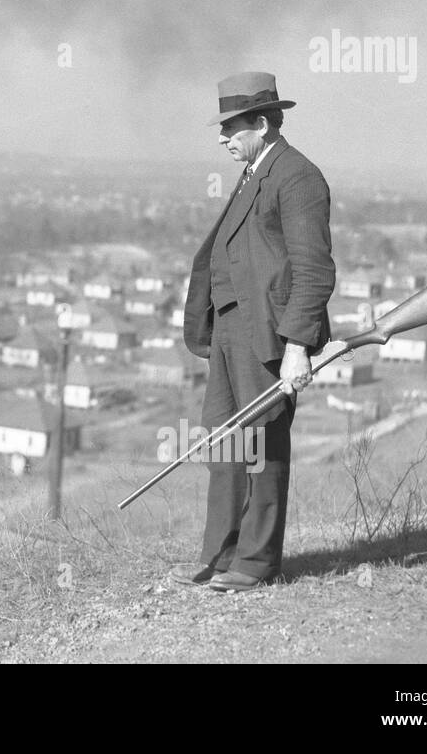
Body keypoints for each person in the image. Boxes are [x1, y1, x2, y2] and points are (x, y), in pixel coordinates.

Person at [173, 71, 336, 592]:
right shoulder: (253, 173)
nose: (222, 138)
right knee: (224, 444)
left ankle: (257, 563)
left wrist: (296, 349)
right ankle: (220, 557)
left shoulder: (298, 177)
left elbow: (314, 270)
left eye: (232, 127)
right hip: (229, 330)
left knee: (262, 446)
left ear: (261, 124)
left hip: (266, 335)